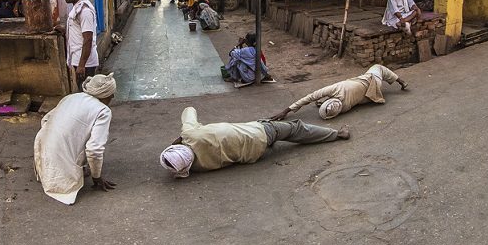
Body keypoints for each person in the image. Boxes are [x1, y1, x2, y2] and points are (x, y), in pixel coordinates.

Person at [159, 105, 350, 178]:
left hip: (253, 154)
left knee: (265, 134)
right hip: (260, 131)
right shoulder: (190, 135)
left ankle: (272, 139)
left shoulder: (198, 167)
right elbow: (189, 110)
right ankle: (336, 134)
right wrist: (183, 136)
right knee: (295, 128)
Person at [33, 73, 117, 204]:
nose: (113, 96)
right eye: (112, 93)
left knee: (75, 135)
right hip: (58, 158)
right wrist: (97, 177)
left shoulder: (71, 97)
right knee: (82, 139)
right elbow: (94, 149)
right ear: (106, 94)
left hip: (42, 149)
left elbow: (46, 120)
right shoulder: (103, 111)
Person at [270, 64, 407, 121]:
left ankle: (399, 81)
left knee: (317, 99)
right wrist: (286, 110)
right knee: (378, 67)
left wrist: (287, 111)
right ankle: (401, 81)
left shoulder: (344, 108)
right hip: (371, 84)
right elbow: (310, 97)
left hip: (367, 97)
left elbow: (310, 99)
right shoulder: (335, 89)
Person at [62, 0, 99, 86]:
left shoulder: (85, 11)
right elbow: (78, 30)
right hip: (77, 58)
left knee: (86, 94)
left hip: (84, 62)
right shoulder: (76, 8)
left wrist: (81, 65)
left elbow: (88, 39)